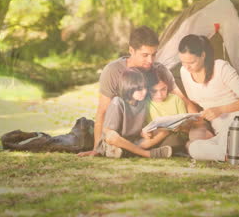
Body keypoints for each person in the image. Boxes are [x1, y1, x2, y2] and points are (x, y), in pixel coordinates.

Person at [78, 26, 199, 157]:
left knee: (174, 141)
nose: (150, 60)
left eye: (154, 54)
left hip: (147, 133)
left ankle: (126, 150)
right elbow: (102, 112)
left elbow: (185, 101)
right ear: (131, 50)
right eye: (145, 55)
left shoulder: (160, 70)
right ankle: (137, 151)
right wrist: (97, 148)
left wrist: (198, 124)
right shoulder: (113, 71)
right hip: (121, 131)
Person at [178, 34, 239, 161]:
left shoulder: (221, 68)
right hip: (217, 129)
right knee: (194, 144)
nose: (187, 66)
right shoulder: (184, 72)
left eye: (191, 62)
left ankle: (237, 147)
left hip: (238, 121)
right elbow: (195, 102)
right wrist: (195, 120)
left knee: (201, 146)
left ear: (203, 56)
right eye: (183, 62)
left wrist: (220, 110)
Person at [95, 67, 172, 158]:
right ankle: (147, 154)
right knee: (112, 136)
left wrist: (145, 133)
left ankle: (126, 152)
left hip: (133, 141)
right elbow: (107, 131)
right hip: (113, 142)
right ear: (128, 88)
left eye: (145, 88)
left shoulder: (143, 102)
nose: (144, 92)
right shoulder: (118, 102)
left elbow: (140, 129)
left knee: (163, 132)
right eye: (139, 89)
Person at [138, 68, 190, 152]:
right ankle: (159, 149)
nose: (159, 95)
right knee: (145, 141)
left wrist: (180, 127)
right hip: (155, 136)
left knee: (175, 140)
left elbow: (186, 126)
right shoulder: (145, 103)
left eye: (163, 89)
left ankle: (155, 150)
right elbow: (142, 129)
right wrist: (144, 133)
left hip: (174, 135)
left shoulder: (176, 99)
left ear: (168, 87)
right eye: (154, 91)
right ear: (148, 90)